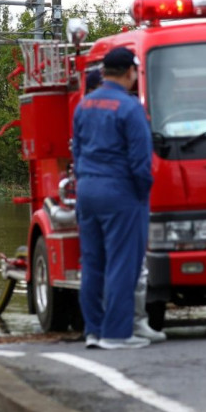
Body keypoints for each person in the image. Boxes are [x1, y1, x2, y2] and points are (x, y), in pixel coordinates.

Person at [72, 47, 153, 350]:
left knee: (93, 263)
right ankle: (116, 334)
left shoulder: (84, 105)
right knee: (123, 262)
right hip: (120, 192)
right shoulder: (130, 108)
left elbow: (77, 150)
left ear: (105, 72)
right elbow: (140, 162)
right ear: (131, 72)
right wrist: (142, 193)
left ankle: (93, 330)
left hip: (87, 190)